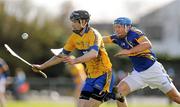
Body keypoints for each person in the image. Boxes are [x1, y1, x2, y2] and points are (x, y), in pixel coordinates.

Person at [32, 10, 126, 107]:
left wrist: (75, 60)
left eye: (75, 21)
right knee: (80, 105)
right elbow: (61, 55)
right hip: (90, 77)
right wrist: (42, 66)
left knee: (91, 105)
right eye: (71, 21)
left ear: (83, 22)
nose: (72, 24)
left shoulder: (94, 34)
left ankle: (112, 94)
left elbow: (93, 54)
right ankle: (113, 94)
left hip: (104, 75)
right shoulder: (73, 38)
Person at [103, 17, 180, 105]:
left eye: (119, 27)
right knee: (118, 93)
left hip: (153, 71)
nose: (116, 29)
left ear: (127, 27)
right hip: (138, 73)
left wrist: (129, 51)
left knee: (175, 97)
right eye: (115, 27)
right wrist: (88, 37)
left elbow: (148, 44)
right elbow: (101, 39)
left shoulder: (134, 33)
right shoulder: (117, 38)